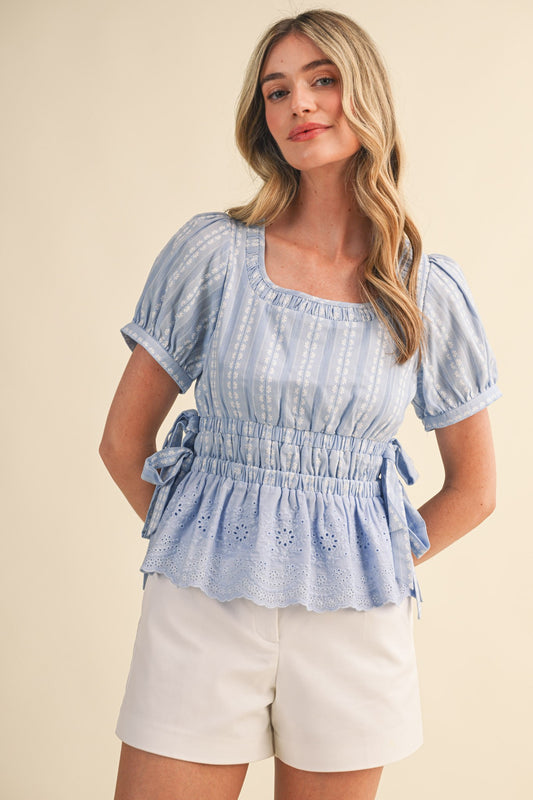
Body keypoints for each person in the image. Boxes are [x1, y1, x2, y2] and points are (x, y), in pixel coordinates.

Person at [100, 8, 500, 800]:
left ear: (366, 97)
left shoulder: (424, 287)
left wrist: (366, 558)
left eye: (322, 81)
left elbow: (475, 490)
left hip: (353, 618)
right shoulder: (212, 253)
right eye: (277, 92)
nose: (299, 106)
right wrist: (209, 538)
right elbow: (122, 442)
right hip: (204, 604)